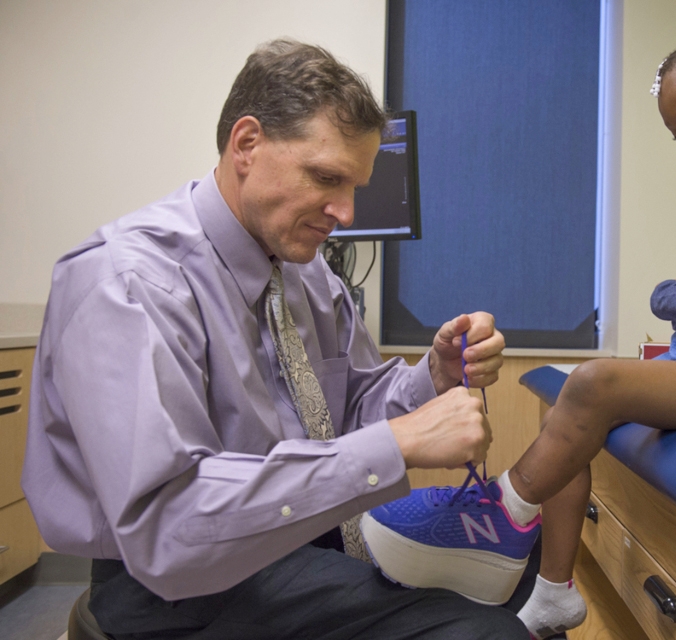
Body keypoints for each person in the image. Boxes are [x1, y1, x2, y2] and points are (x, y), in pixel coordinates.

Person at [21, 39, 535, 639]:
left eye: (355, 188)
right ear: (246, 144)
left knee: (517, 578)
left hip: (297, 544)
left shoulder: (307, 272)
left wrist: (435, 377)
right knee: (485, 635)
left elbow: (349, 413)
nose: (345, 212)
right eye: (326, 178)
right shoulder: (128, 284)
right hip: (171, 586)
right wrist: (397, 443)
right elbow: (169, 528)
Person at [361, 23, 676, 639]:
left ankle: (505, 509)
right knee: (572, 409)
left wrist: (669, 294)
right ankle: (553, 591)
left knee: (593, 382)